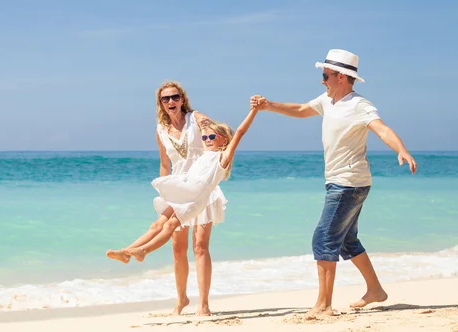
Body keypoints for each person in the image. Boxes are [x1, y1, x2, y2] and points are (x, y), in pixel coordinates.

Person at [251, 49, 417, 316]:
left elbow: (381, 128)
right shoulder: (327, 101)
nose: (322, 80)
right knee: (347, 240)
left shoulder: (359, 105)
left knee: (324, 238)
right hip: (343, 182)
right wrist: (269, 105)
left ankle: (324, 305)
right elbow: (302, 110)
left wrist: (401, 150)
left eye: (325, 75)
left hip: (348, 182)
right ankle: (375, 290)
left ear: (341, 77)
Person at [107, 81, 226, 316]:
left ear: (182, 99)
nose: (171, 102)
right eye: (165, 99)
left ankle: (203, 304)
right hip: (177, 188)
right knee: (177, 248)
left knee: (200, 246)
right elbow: (165, 164)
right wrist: (164, 194)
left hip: (202, 186)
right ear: (160, 104)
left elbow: (218, 137)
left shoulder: (196, 119)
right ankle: (181, 299)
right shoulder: (161, 130)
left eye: (174, 97)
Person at [108, 106, 259, 269]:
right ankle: (126, 252)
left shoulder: (222, 158)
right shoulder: (203, 154)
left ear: (224, 140)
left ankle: (143, 251)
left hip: (195, 200)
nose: (207, 139)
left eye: (212, 136)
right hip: (183, 191)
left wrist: (254, 111)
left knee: (170, 226)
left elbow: (240, 132)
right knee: (157, 225)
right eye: (205, 137)